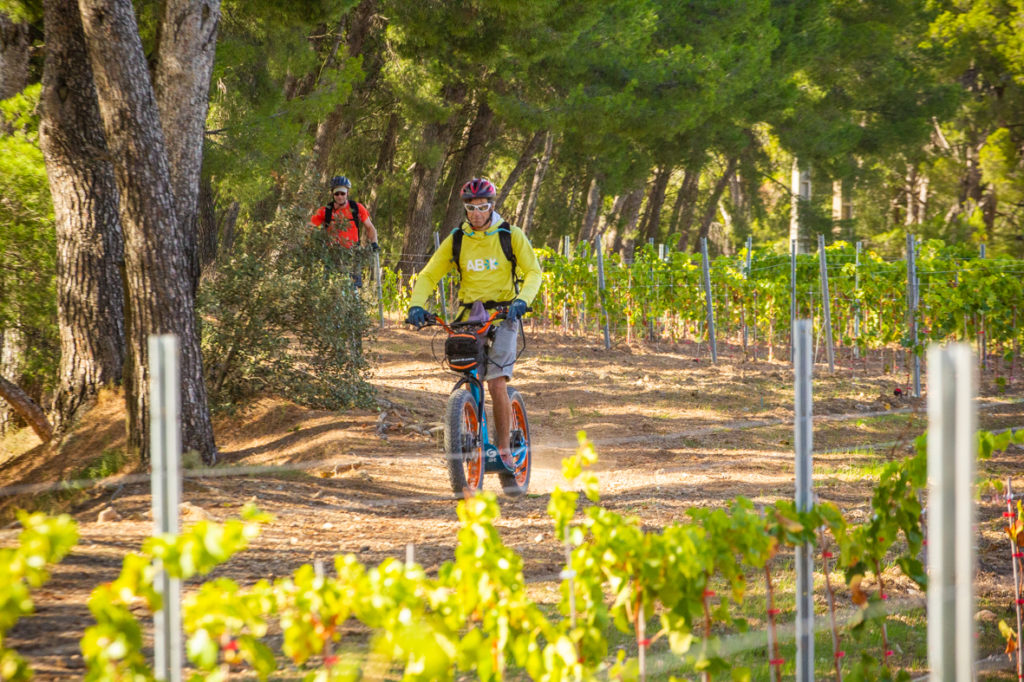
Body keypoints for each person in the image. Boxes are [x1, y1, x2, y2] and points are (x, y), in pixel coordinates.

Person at [406, 177, 543, 464]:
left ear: (492, 205)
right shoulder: (457, 238)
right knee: (469, 372)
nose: (477, 213)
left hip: (505, 313)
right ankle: (468, 425)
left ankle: (505, 451)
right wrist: (416, 305)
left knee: (496, 382)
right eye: (471, 207)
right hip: (470, 314)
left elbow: (533, 273)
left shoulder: (510, 234)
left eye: (482, 206)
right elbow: (430, 274)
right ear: (465, 208)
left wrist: (522, 301)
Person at [310, 175, 379, 286]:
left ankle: (355, 303)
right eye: (337, 193)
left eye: (342, 193)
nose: (340, 196)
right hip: (332, 255)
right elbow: (309, 227)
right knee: (329, 289)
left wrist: (374, 243)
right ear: (332, 194)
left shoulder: (357, 208)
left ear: (347, 193)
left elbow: (370, 228)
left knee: (353, 290)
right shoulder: (325, 211)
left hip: (352, 255)